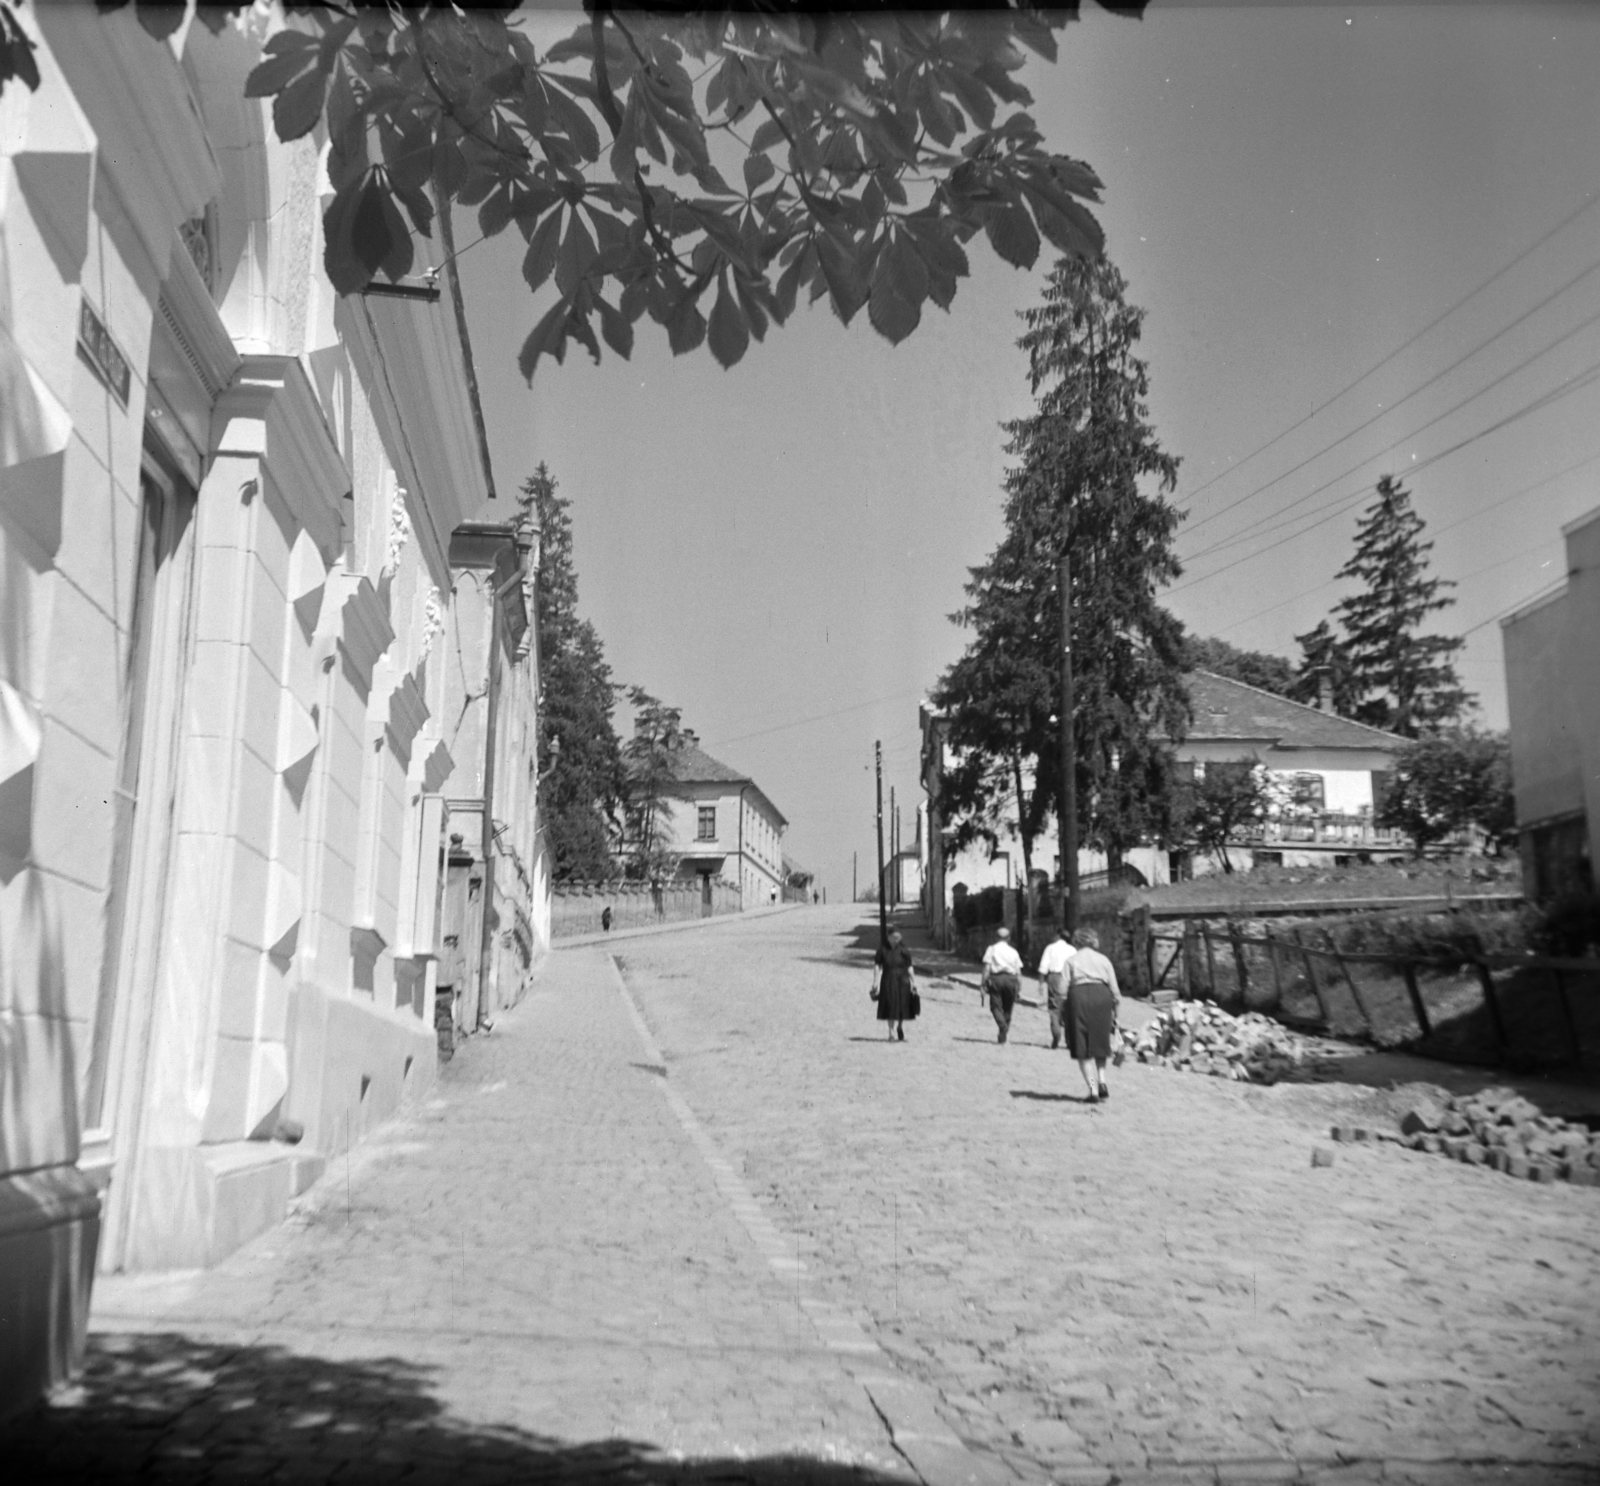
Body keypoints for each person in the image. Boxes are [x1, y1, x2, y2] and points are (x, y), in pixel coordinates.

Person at [1065, 927, 1120, 1102]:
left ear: (1076, 941)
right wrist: (1116, 1017)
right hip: (1102, 996)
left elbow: (1061, 990)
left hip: (1078, 997)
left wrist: (1061, 1010)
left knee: (1082, 1047)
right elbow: (1116, 993)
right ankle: (1102, 1080)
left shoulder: (1071, 960)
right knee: (1100, 1041)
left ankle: (1093, 1090)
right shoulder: (1104, 960)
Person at [872, 928, 918, 1041]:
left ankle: (900, 1027)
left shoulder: (904, 950)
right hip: (888, 979)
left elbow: (909, 967)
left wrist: (914, 981)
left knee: (903, 1005)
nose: (896, 940)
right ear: (888, 937)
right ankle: (891, 1032)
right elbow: (877, 965)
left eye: (898, 938)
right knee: (890, 1005)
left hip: (903, 980)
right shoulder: (882, 950)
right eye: (894, 937)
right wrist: (875, 981)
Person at [980, 927, 1024, 1043]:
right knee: (1008, 1008)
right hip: (1011, 979)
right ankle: (1003, 1032)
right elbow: (1018, 971)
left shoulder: (991, 949)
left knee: (995, 1006)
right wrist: (1019, 988)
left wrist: (983, 983)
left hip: (996, 979)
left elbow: (987, 968)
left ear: (996, 937)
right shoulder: (1014, 952)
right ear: (1008, 938)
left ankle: (1002, 1027)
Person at [1036, 925, 1076, 1050]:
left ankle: (1056, 1034)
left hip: (1055, 977)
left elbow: (1043, 966)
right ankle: (1070, 1040)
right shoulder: (1072, 950)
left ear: (1058, 935)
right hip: (1069, 978)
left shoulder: (1050, 948)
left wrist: (1041, 983)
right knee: (1069, 1009)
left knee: (1054, 1007)